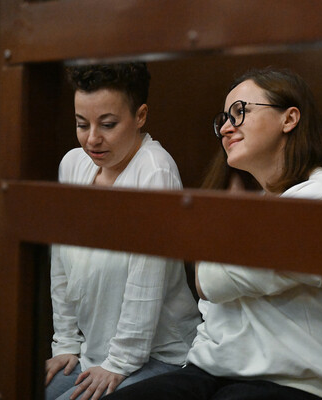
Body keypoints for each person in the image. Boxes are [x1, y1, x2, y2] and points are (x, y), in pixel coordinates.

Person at [106, 67, 322, 400]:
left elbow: (211, 281)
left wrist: (219, 243)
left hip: (301, 382)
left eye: (240, 112)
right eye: (224, 119)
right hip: (209, 372)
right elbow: (210, 281)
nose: (226, 128)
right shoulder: (254, 205)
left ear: (289, 119)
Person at [46, 62, 201, 400]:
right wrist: (66, 343)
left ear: (140, 116)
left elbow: (145, 283)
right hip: (93, 351)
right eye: (82, 124)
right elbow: (60, 266)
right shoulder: (72, 164)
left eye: (108, 124)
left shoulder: (155, 171)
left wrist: (119, 363)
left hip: (160, 355)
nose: (92, 139)